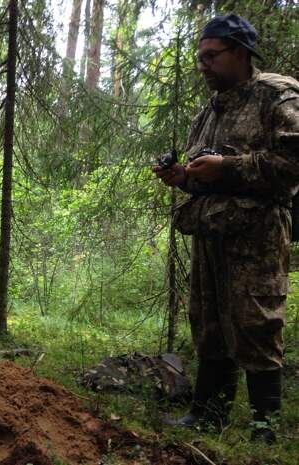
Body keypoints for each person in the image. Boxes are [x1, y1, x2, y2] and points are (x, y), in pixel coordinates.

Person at [153, 14, 299, 443]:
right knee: (209, 322)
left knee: (257, 323)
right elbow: (206, 173)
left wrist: (227, 167)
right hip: (211, 232)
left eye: (211, 57)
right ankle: (207, 414)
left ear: (240, 52)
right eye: (200, 58)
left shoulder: (277, 96)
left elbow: (291, 167)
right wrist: (184, 176)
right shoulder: (209, 110)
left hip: (257, 236)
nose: (203, 66)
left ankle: (264, 429)